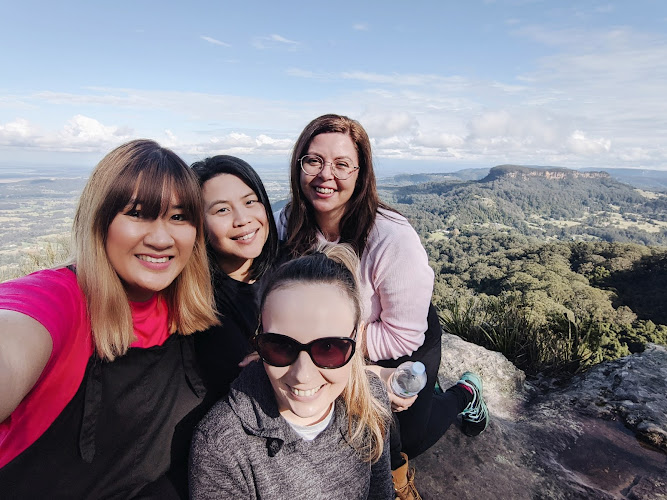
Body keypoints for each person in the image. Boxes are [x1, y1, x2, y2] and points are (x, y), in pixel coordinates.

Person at [277, 114, 489, 499]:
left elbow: (403, 332)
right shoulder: (287, 223)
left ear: (361, 173)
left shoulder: (391, 237)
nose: (326, 174)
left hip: (401, 338)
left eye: (342, 164)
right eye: (314, 161)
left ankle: (463, 394)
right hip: (336, 345)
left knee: (407, 441)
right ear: (298, 165)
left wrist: (337, 349)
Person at [0, 139, 218, 499]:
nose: (162, 238)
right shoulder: (62, 300)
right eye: (137, 213)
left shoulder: (185, 307)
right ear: (99, 220)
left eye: (179, 217)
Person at [189, 244, 394, 500]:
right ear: (259, 339)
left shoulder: (369, 399)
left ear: (358, 337)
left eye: (328, 347)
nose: (302, 375)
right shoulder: (222, 445)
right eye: (281, 346)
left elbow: (380, 493)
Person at [191, 155, 279, 398]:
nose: (243, 220)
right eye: (222, 210)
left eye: (250, 202)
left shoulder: (292, 268)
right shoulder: (199, 304)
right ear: (199, 224)